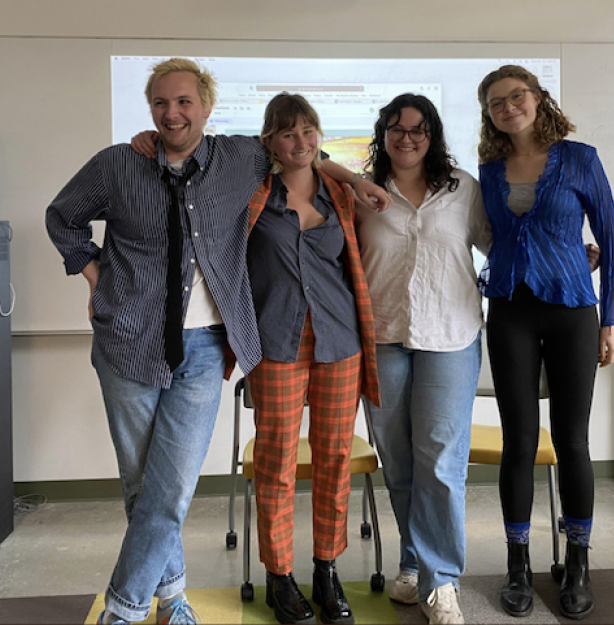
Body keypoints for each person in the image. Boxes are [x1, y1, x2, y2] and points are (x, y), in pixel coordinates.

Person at [47, 58, 389, 625]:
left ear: (207, 106)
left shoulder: (240, 158)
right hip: (128, 343)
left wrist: (356, 180)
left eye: (184, 101)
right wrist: (96, 276)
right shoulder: (117, 163)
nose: (172, 112)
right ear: (150, 108)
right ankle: (174, 598)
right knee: (143, 486)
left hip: (207, 346)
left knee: (172, 486)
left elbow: (302, 151)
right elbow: (62, 218)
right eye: (161, 102)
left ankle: (125, 610)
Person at [476, 65, 614, 621]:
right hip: (510, 309)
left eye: (517, 96)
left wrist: (610, 321)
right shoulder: (490, 169)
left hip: (573, 313)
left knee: (572, 442)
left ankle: (578, 561)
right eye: (496, 102)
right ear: (489, 114)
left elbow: (610, 239)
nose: (508, 106)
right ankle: (518, 565)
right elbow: (493, 238)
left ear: (538, 100)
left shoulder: (580, 158)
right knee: (519, 442)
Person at [243, 92, 380, 625]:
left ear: (319, 136)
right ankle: (281, 577)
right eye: (286, 133)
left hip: (338, 342)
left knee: (333, 460)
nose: (299, 142)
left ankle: (327, 569)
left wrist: (350, 177)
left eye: (308, 131)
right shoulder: (252, 195)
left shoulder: (341, 197)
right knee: (275, 464)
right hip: (275, 343)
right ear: (269, 142)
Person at [354, 94, 489, 625]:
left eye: (418, 129)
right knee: (402, 462)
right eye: (396, 128)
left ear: (432, 136)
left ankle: (441, 582)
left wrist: (571, 257)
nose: (406, 138)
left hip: (450, 338)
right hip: (382, 335)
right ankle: (412, 561)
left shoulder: (462, 189)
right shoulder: (360, 192)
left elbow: (499, 245)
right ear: (382, 133)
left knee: (440, 463)